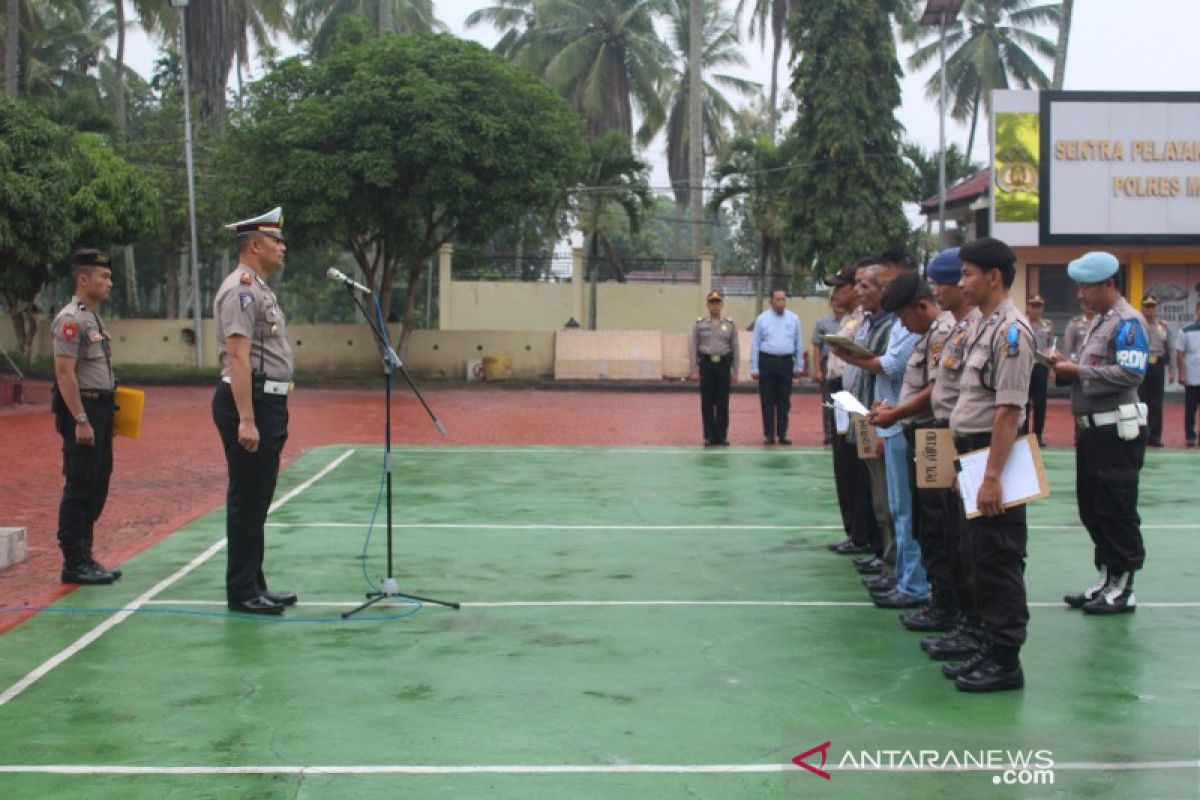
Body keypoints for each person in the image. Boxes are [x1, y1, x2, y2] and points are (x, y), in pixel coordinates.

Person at [945, 236, 1034, 693]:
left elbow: (1008, 411)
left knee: (998, 556)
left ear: (993, 277)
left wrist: (994, 477)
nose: (963, 282)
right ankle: (986, 641)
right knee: (974, 554)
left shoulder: (1012, 332)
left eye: (968, 273)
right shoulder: (983, 326)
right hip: (974, 453)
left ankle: (1005, 660)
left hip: (995, 454)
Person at [1051, 252, 1147, 615]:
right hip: (1092, 432)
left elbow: (1131, 374)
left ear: (1109, 284)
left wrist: (1079, 372)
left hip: (1115, 432)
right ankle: (1107, 579)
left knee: (1116, 509)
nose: (1080, 294)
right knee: (1093, 509)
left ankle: (1123, 588)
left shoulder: (1128, 322)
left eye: (1086, 287)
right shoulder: (1097, 322)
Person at [212, 207, 297, 616]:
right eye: (276, 240)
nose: (283, 247)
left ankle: (254, 582)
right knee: (248, 499)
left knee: (258, 498)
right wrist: (246, 418)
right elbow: (238, 356)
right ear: (255, 245)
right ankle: (242, 591)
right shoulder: (242, 290)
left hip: (268, 402)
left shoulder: (259, 289)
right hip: (252, 403)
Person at [51, 250, 123, 585]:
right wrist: (80, 419)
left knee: (98, 482)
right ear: (83, 280)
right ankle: (73, 563)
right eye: (103, 277)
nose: (109, 283)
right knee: (79, 485)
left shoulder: (93, 318)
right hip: (84, 409)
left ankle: (86, 556)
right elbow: (65, 374)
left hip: (101, 409)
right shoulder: (71, 319)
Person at [822, 264, 873, 556]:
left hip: (853, 395)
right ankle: (853, 531)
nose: (835, 292)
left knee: (856, 467)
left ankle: (862, 533)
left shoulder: (863, 320)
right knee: (843, 465)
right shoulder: (849, 319)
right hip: (840, 394)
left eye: (840, 286)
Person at [749, 289, 803, 445]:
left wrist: (799, 366)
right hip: (767, 361)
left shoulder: (794, 318)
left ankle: (782, 433)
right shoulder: (762, 319)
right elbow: (755, 344)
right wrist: (754, 368)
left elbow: (798, 343)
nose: (781, 303)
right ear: (771, 301)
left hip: (786, 362)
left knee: (784, 400)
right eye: (778, 299)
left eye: (783, 299)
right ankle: (769, 434)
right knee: (767, 399)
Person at [688, 290, 739, 446]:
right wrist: (694, 370)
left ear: (722, 304)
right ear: (707, 304)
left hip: (723, 366)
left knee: (723, 402)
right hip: (707, 366)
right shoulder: (700, 325)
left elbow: (735, 348)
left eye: (717, 302)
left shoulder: (730, 325)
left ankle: (722, 436)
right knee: (707, 403)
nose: (715, 305)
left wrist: (735, 371)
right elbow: (693, 347)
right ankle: (709, 436)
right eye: (712, 302)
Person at [1138, 295, 1173, 447]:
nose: (1151, 309)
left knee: (1156, 402)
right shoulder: (1137, 325)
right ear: (1142, 308)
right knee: (1141, 401)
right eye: (1148, 306)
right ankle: (1141, 435)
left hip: (1157, 366)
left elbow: (1170, 348)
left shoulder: (1163, 326)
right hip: (1142, 365)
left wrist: (1173, 370)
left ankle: (1155, 436)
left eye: (1153, 306)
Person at [811, 300, 842, 445]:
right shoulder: (822, 323)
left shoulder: (853, 322)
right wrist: (817, 369)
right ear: (831, 304)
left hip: (847, 364)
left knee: (845, 402)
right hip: (827, 364)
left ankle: (843, 433)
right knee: (828, 401)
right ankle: (829, 434)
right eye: (836, 302)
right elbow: (817, 347)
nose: (839, 305)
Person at [1025, 295, 1054, 447]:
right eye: (1033, 306)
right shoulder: (1021, 323)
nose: (1036, 309)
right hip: (1025, 366)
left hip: (1041, 367)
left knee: (1040, 403)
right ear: (1028, 307)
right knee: (1024, 402)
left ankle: (1037, 436)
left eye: (1039, 306)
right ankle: (1022, 435)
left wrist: (1052, 367)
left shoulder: (1047, 325)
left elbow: (1051, 347)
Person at [1179, 301, 1200, 447]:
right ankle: (1190, 437)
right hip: (1192, 377)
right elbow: (1179, 353)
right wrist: (1182, 374)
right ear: (1196, 312)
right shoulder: (1186, 330)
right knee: (1190, 409)